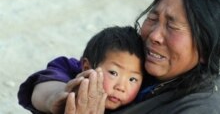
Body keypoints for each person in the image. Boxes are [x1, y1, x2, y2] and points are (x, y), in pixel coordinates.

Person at [18, 0, 220, 114]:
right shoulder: (139, 60)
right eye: (152, 18)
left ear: (205, 48)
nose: (154, 36)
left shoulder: (207, 106)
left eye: (173, 26)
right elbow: (58, 71)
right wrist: (57, 99)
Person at [18, 26, 147, 114]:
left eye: (132, 79)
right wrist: (54, 98)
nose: (121, 87)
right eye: (113, 73)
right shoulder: (72, 72)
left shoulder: (143, 104)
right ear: (87, 67)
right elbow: (42, 86)